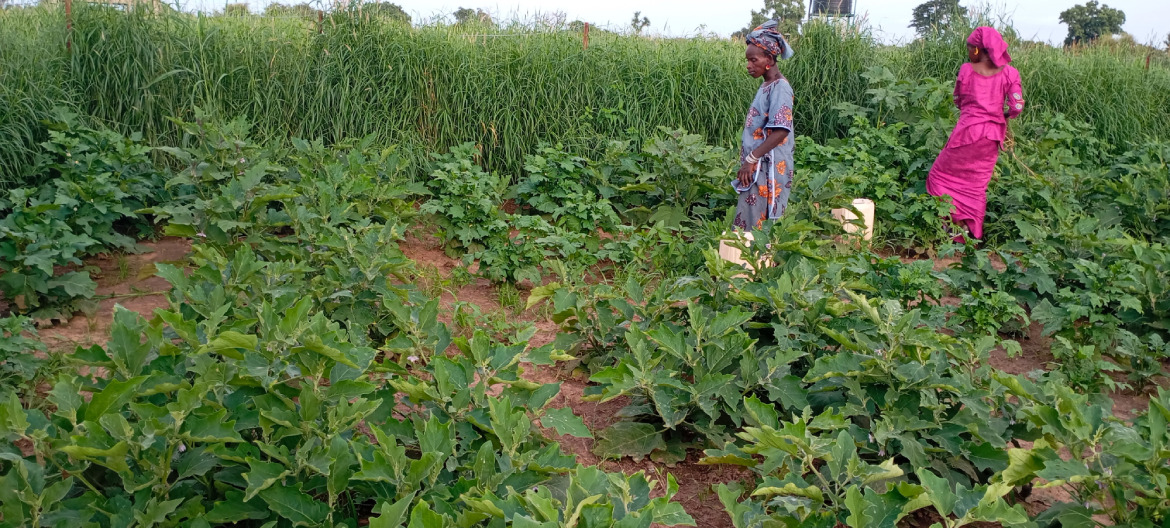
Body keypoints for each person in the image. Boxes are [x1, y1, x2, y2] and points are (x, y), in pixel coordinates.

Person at [927, 26, 1025, 242]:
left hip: (966, 134)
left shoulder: (967, 69)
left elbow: (959, 100)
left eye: (971, 48)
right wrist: (1002, 116)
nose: (969, 52)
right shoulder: (1011, 73)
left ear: (978, 49)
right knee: (976, 186)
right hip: (991, 137)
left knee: (938, 178)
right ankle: (972, 236)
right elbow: (1017, 106)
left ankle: (952, 231)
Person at [733, 20, 796, 232]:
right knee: (750, 218)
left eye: (754, 60)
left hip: (768, 168)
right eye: (747, 60)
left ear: (769, 59)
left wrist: (751, 159)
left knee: (761, 225)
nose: (749, 65)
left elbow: (781, 130)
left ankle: (759, 253)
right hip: (758, 164)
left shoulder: (780, 87)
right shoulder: (767, 85)